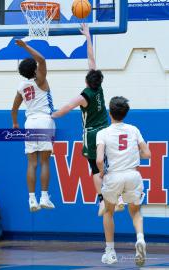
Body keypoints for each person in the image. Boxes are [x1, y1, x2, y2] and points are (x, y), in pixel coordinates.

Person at [51, 23, 124, 216]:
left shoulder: (83, 96)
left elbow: (64, 110)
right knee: (112, 164)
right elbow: (91, 59)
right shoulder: (99, 87)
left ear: (86, 81)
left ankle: (102, 201)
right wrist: (88, 37)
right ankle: (119, 197)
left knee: (95, 168)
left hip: (92, 134)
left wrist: (49, 114)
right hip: (107, 130)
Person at [96, 96, 151, 267]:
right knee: (135, 213)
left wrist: (101, 172)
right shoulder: (134, 130)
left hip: (113, 176)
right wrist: (136, 155)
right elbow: (147, 154)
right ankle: (140, 240)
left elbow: (99, 159)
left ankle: (110, 253)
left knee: (108, 212)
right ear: (125, 113)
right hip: (132, 175)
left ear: (109, 113)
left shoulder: (103, 133)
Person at [12, 40, 55, 212]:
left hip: (29, 123)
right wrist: (25, 47)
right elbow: (43, 59)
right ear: (35, 70)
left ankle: (31, 199)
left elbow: (14, 109)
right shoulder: (41, 81)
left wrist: (15, 123)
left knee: (32, 164)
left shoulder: (22, 87)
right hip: (44, 120)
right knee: (45, 163)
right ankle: (44, 197)